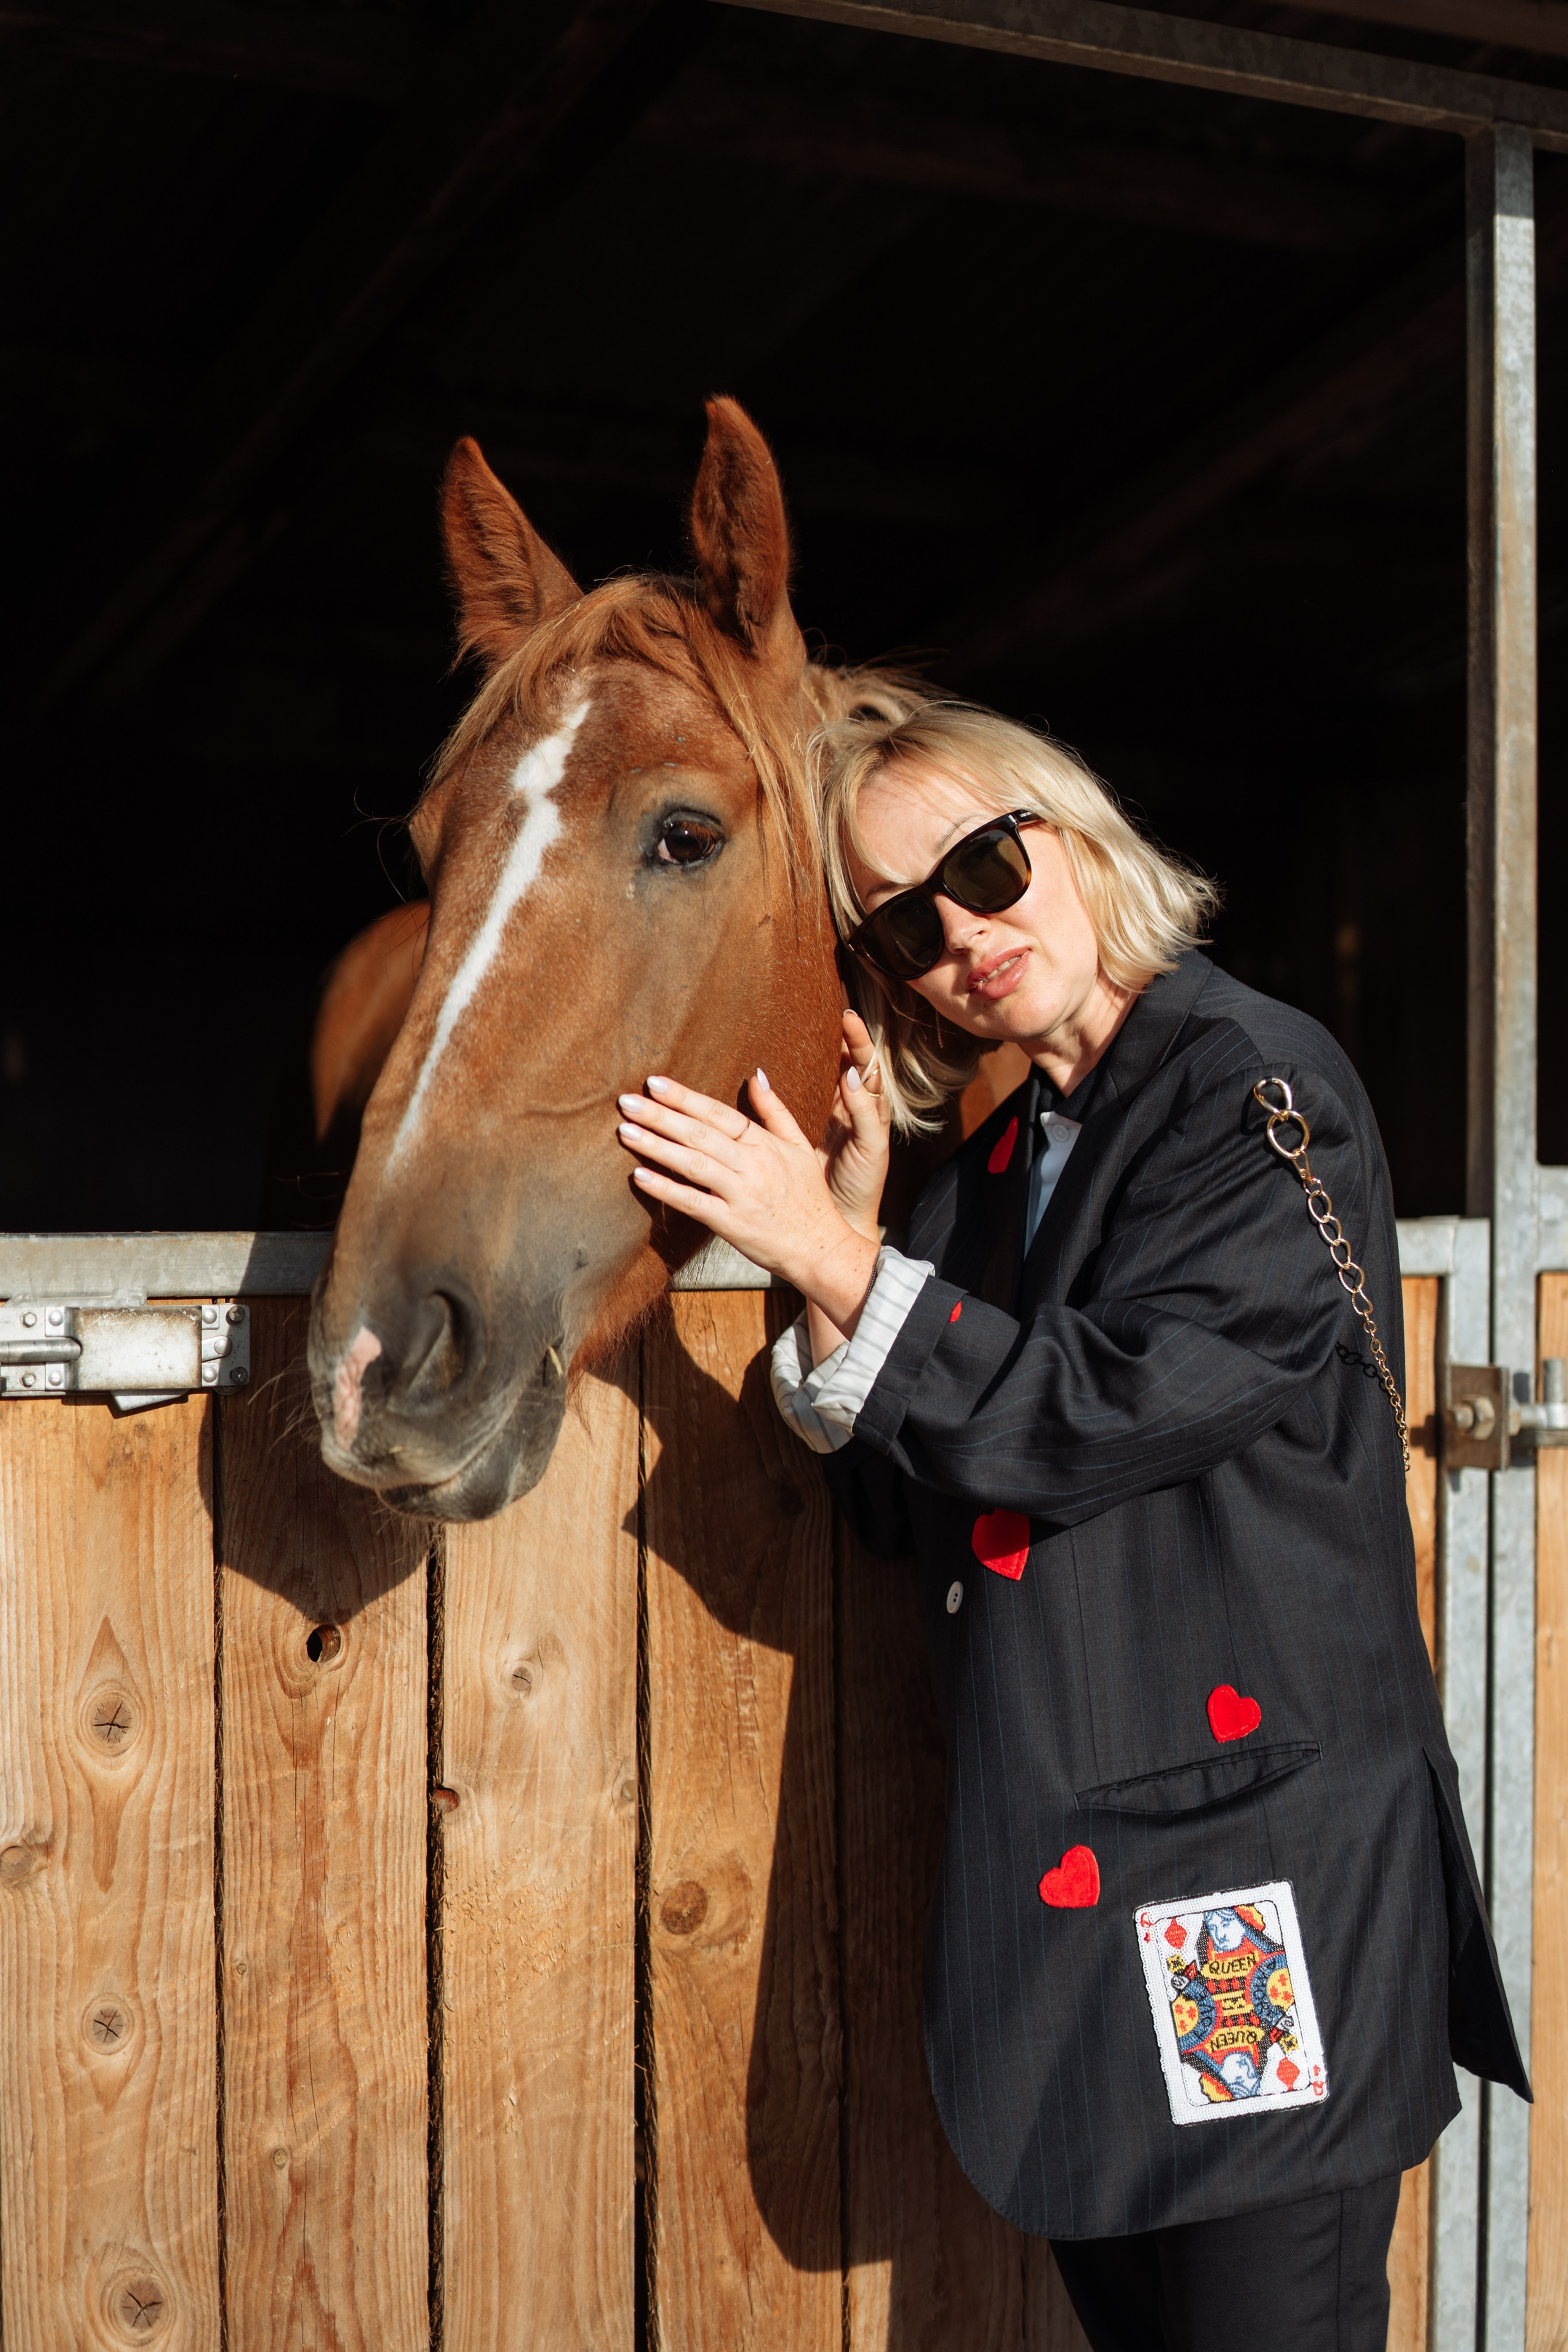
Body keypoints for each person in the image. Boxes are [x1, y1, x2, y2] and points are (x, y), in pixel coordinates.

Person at [614, 699, 1527, 2352]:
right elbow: (904, 1498)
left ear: (1076, 833)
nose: (966, 936)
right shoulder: (1004, 1158)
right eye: (907, 921)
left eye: (983, 867)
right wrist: (855, 1233)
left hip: (1256, 1882)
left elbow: (1100, 1408)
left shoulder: (1255, 1087)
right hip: (1101, 1892)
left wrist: (823, 1264)